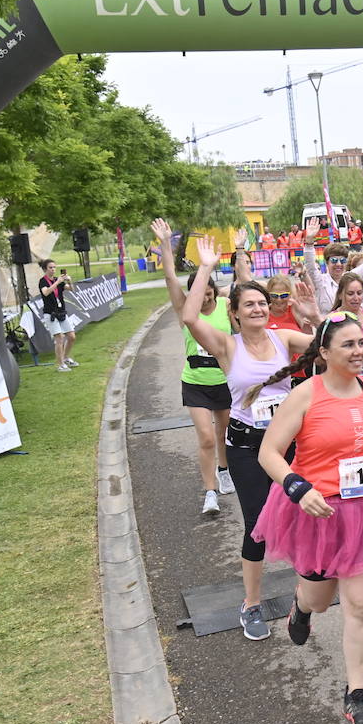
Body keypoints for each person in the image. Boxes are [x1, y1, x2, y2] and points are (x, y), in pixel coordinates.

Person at [252, 311, 363, 724]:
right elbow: (269, 452)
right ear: (323, 353)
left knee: (360, 604)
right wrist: (296, 486)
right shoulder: (305, 395)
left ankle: (356, 694)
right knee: (321, 600)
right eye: (348, 344)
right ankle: (301, 607)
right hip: (316, 510)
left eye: (361, 342)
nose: (360, 350)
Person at [180, 237, 315, 642]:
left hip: (289, 441)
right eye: (249, 305)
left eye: (262, 303)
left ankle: (305, 592)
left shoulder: (284, 338)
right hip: (246, 445)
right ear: (234, 314)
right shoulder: (226, 345)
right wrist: (206, 267)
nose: (258, 308)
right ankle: (251, 603)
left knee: (303, 511)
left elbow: (330, 342)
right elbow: (189, 318)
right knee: (258, 525)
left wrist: (311, 312)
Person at [150, 218, 235, 514]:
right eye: (201, 294)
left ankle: (224, 471)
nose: (206, 297)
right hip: (196, 382)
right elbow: (171, 278)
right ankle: (209, 492)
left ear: (213, 290)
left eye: (209, 292)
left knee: (223, 434)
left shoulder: (226, 307)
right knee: (207, 437)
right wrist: (164, 244)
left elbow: (244, 287)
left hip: (224, 381)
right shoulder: (185, 310)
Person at [302, 218, 363, 312]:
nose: (338, 264)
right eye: (334, 260)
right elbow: (310, 266)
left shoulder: (351, 277)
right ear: (327, 262)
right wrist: (309, 241)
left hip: (354, 324)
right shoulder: (320, 281)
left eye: (343, 260)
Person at [38, 259, 78, 372]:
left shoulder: (58, 280)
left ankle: (65, 358)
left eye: (54, 267)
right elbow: (46, 292)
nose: (53, 269)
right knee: (59, 338)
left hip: (61, 312)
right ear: (45, 269)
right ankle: (60, 364)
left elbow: (71, 289)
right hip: (50, 314)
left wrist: (69, 281)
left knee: (71, 336)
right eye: (50, 267)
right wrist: (57, 282)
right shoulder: (43, 281)